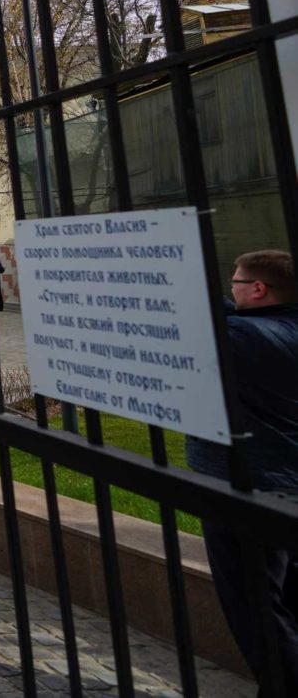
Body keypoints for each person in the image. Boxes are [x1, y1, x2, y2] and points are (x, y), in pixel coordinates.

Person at [185, 249, 298, 689]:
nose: (229, 290)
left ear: (258, 289)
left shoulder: (239, 339)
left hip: (248, 488)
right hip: (286, 481)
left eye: (235, 282)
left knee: (258, 608)